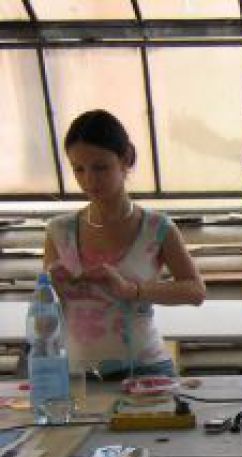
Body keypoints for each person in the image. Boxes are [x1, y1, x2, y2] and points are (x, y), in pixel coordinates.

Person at [44, 109, 205, 379]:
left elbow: (195, 291)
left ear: (126, 159)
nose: (89, 180)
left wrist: (132, 290)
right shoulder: (59, 231)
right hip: (77, 374)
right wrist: (52, 290)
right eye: (78, 169)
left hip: (146, 370)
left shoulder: (157, 228)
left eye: (100, 167)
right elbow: (47, 308)